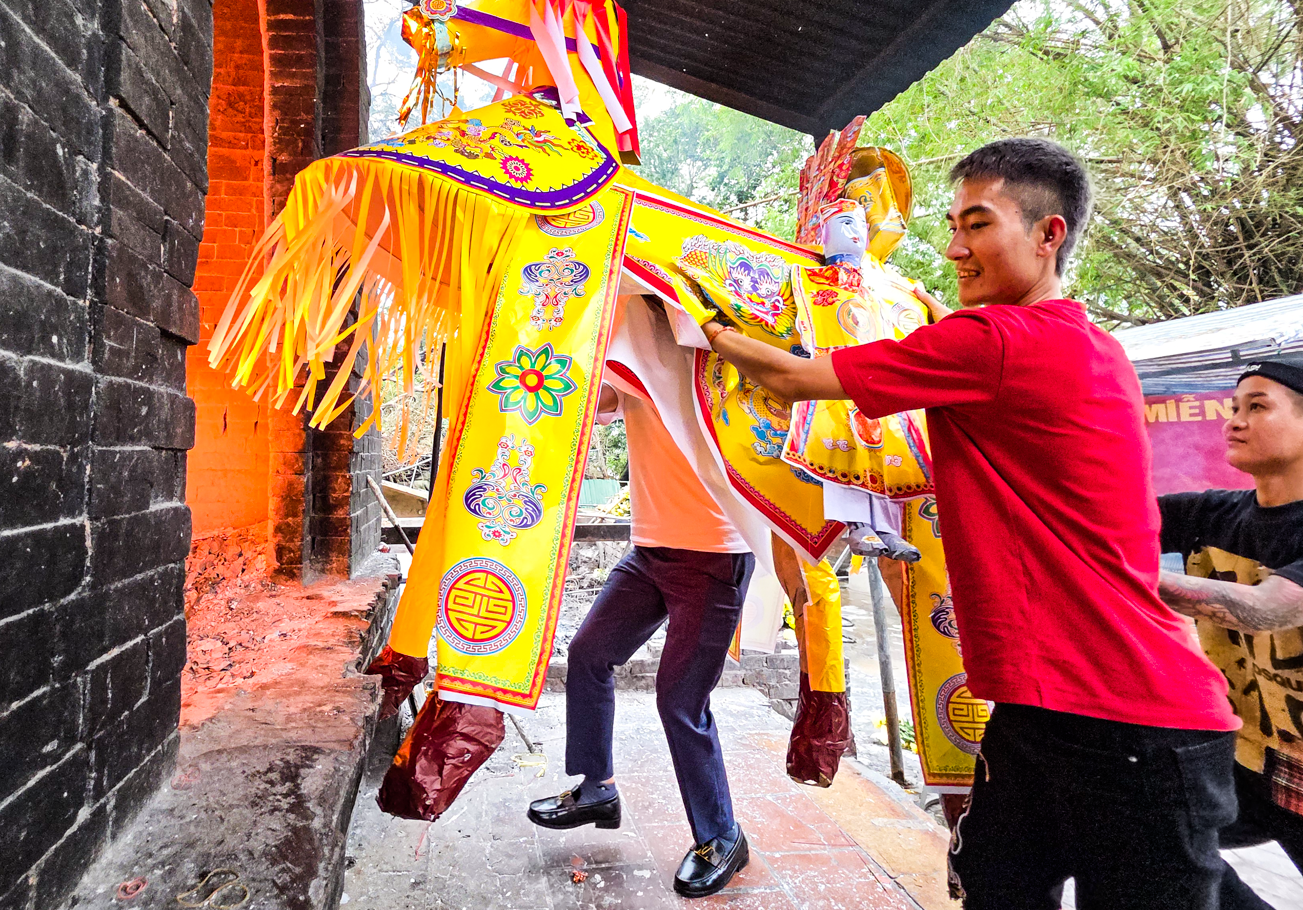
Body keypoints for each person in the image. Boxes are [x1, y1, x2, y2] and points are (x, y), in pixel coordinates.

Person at [700, 137, 1240, 909]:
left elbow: (791, 375)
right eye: (952, 224)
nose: (954, 248)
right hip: (1043, 708)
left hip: (1128, 722)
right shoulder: (1093, 345)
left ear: (1049, 234)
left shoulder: (992, 342)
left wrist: (700, 315)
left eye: (978, 225)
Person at [526, 367, 754, 898]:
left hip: (715, 552)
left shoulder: (712, 333)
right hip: (651, 549)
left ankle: (722, 836)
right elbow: (592, 398)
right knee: (588, 654)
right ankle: (597, 788)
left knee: (680, 700)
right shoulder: (623, 339)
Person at [1157, 360, 1303, 909]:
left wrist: (1110, 571)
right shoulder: (1211, 513)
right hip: (1249, 762)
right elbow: (1105, 519)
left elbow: (1267, 609)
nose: (1234, 421)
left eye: (1257, 406)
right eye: (1234, 408)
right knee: (1147, 832)